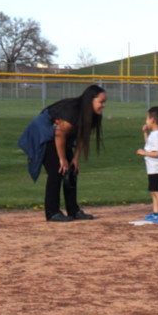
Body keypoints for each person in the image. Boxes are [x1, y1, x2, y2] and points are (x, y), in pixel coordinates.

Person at [19, 84, 105, 222]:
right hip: (45, 133)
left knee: (71, 171)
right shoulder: (74, 109)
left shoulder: (92, 115)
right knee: (57, 170)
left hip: (60, 136)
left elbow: (83, 137)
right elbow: (59, 134)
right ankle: (52, 212)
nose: (104, 105)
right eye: (101, 102)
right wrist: (62, 158)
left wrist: (75, 158)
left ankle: (73, 210)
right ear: (91, 100)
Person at [136, 106, 158, 223]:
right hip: (153, 168)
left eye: (147, 119)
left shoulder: (157, 135)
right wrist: (145, 133)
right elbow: (149, 145)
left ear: (153, 120)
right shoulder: (155, 134)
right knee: (153, 190)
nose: (146, 122)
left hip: (157, 168)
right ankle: (156, 213)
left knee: (156, 191)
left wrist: (143, 153)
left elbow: (156, 153)